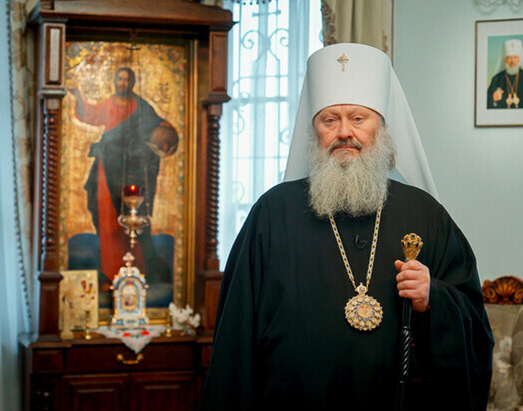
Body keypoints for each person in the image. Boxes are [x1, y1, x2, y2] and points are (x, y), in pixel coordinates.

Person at [201, 43, 494, 409]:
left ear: (381, 128)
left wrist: (433, 297)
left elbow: (476, 330)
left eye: (358, 118)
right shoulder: (271, 215)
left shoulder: (425, 214)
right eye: (330, 120)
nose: (344, 132)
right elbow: (235, 340)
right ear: (315, 131)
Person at [70, 67, 178, 300]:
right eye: (119, 78)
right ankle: (109, 275)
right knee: (108, 221)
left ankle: (136, 275)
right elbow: (91, 115)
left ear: (133, 81)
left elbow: (162, 130)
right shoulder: (110, 104)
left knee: (131, 224)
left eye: (126, 78)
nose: (122, 82)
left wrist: (165, 141)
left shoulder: (141, 107)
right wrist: (79, 98)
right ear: (114, 81)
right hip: (107, 170)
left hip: (131, 175)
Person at [487, 39, 523, 109]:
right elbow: (486, 105)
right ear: (504, 60)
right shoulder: (497, 79)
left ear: (520, 59)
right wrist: (493, 99)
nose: (512, 61)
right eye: (509, 58)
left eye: (515, 57)